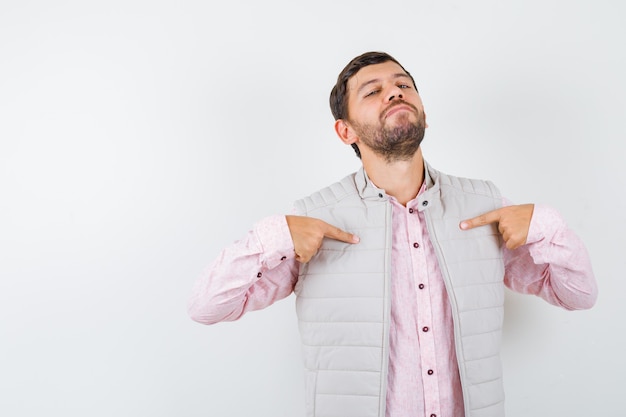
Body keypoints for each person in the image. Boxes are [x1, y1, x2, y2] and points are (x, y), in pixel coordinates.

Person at [187, 51, 598, 417]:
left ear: (423, 112)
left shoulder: (484, 204)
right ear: (345, 131)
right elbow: (206, 307)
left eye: (404, 85)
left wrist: (546, 225)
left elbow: (577, 295)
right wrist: (272, 235)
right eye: (373, 91)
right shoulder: (312, 219)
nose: (395, 93)